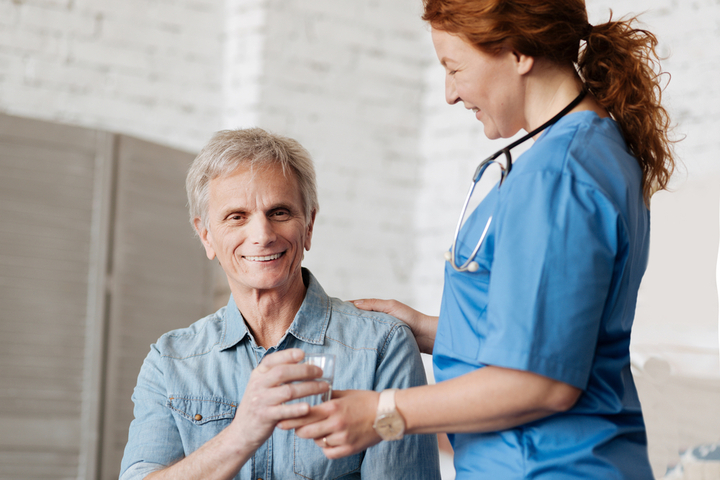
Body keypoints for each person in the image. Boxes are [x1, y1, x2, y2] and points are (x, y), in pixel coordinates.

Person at [282, 1, 676, 478]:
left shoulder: (557, 176)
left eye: (455, 68)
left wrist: (381, 413)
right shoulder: (594, 152)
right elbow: (557, 334)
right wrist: (426, 327)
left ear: (517, 52)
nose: (450, 93)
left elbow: (541, 383)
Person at [119, 128, 441, 480]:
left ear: (309, 226)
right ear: (206, 235)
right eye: (237, 216)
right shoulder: (170, 362)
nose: (262, 235)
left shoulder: (382, 346)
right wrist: (241, 435)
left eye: (280, 212)